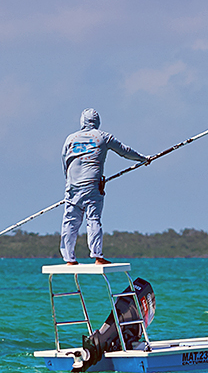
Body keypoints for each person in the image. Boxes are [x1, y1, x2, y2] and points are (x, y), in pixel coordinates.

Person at [60, 108, 150, 265]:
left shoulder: (70, 139)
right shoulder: (103, 137)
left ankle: (69, 259)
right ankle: (97, 256)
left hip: (72, 186)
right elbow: (125, 151)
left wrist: (69, 183)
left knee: (70, 221)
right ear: (97, 122)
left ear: (82, 122)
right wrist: (143, 159)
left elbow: (64, 161)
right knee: (93, 219)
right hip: (92, 186)